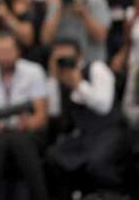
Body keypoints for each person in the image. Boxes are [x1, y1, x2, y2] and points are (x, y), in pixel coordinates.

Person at [0, 31, 49, 200]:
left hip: (26, 131)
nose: (4, 56)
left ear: (17, 51)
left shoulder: (34, 71)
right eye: (0, 52)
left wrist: (29, 123)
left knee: (19, 140)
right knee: (0, 142)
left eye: (8, 51)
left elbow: (41, 115)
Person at [46, 39, 125, 198]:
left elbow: (104, 106)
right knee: (53, 156)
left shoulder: (96, 68)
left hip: (108, 130)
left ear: (79, 56)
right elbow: (53, 112)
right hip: (83, 135)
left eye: (68, 58)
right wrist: (54, 78)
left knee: (97, 162)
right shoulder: (59, 80)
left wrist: (79, 84)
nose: (64, 63)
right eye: (59, 59)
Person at [41, 0, 111, 63]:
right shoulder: (56, 3)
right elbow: (45, 40)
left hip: (91, 62)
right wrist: (59, 12)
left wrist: (84, 14)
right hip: (63, 63)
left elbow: (101, 36)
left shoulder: (97, 1)